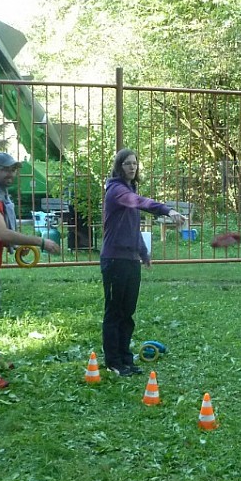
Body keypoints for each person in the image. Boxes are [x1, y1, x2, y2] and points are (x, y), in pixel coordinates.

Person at [0, 152, 62, 390]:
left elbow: (2, 236)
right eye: (6, 169)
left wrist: (16, 246)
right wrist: (41, 242)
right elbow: (2, 232)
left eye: (14, 169)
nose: (11, 174)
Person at [101, 148, 185, 377]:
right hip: (114, 259)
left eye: (134, 164)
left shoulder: (130, 188)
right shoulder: (117, 190)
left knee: (127, 312)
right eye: (127, 163)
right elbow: (139, 202)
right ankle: (113, 361)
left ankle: (126, 359)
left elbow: (132, 227)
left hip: (130, 260)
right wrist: (167, 210)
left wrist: (144, 253)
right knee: (114, 312)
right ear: (119, 166)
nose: (132, 167)